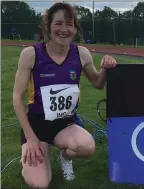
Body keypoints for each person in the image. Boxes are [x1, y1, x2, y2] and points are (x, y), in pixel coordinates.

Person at [12, 2, 117, 188]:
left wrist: (106, 69)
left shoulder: (82, 53)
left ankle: (65, 157)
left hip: (65, 123)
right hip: (37, 126)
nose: (64, 29)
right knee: (40, 184)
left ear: (75, 29)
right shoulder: (31, 54)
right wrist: (31, 138)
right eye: (58, 23)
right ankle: (31, 155)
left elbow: (98, 84)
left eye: (69, 24)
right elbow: (17, 100)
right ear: (48, 26)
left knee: (87, 146)